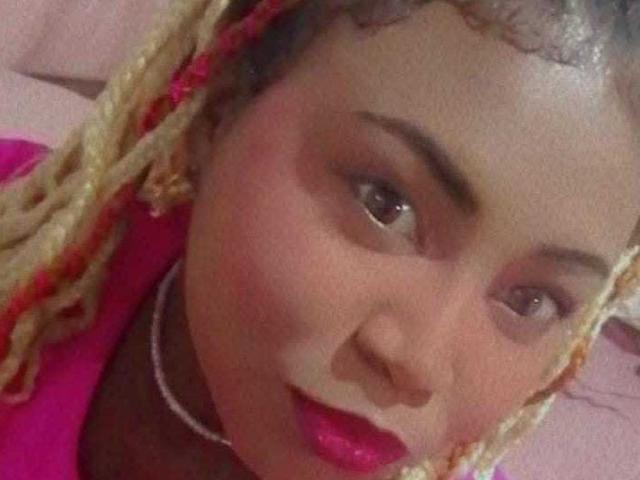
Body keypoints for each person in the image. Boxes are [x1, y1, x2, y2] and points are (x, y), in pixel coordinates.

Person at [0, 1, 639, 479]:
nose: (420, 362)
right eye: (385, 204)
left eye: (531, 301)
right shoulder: (20, 244)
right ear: (217, 112)